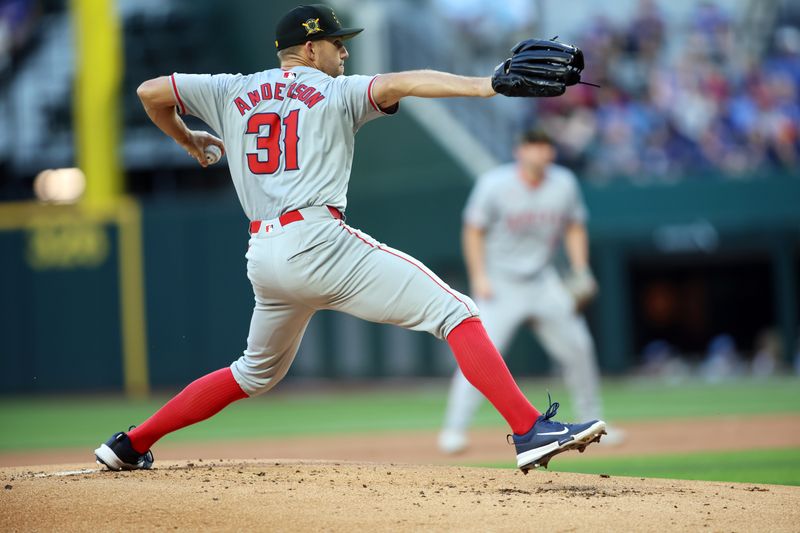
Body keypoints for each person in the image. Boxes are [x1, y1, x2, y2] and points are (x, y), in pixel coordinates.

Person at [94, 4, 605, 474]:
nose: (345, 51)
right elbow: (406, 82)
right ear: (311, 49)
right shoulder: (338, 90)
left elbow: (149, 92)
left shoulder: (231, 88)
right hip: (318, 241)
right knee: (456, 313)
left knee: (252, 374)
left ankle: (130, 444)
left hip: (264, 255)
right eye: (337, 43)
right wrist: (487, 85)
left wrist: (189, 138)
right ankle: (529, 430)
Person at [439, 129, 619, 454]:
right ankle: (454, 429)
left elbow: (575, 226)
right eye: (534, 146)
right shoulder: (494, 184)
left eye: (546, 147)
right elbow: (473, 230)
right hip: (501, 283)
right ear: (519, 151)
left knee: (580, 347)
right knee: (480, 354)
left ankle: (593, 419)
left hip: (542, 281)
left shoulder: (564, 183)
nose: (541, 153)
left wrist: (580, 268)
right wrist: (479, 276)